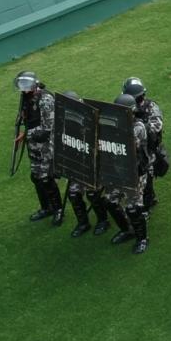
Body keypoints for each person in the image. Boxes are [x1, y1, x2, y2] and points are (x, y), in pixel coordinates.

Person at [105, 93, 154, 254]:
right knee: (110, 201)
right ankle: (127, 229)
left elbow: (126, 146)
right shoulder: (116, 124)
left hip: (135, 173)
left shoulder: (138, 128)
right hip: (118, 172)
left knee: (133, 208)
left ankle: (142, 238)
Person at [13, 71, 63, 226]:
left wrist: (28, 134)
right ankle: (46, 207)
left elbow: (47, 130)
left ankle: (58, 210)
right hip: (33, 145)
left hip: (46, 146)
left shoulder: (45, 99)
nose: (23, 89)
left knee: (45, 178)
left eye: (26, 86)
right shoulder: (27, 97)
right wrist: (24, 133)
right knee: (36, 177)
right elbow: (30, 120)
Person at [63, 91, 111, 238]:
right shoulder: (63, 120)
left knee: (92, 194)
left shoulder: (92, 119)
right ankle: (83, 222)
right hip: (77, 165)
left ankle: (103, 220)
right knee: (73, 194)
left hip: (93, 167)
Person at [122, 77, 167, 212]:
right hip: (135, 148)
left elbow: (157, 127)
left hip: (149, 149)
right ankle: (149, 198)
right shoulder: (127, 106)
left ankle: (148, 204)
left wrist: (140, 125)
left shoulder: (151, 107)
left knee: (147, 175)